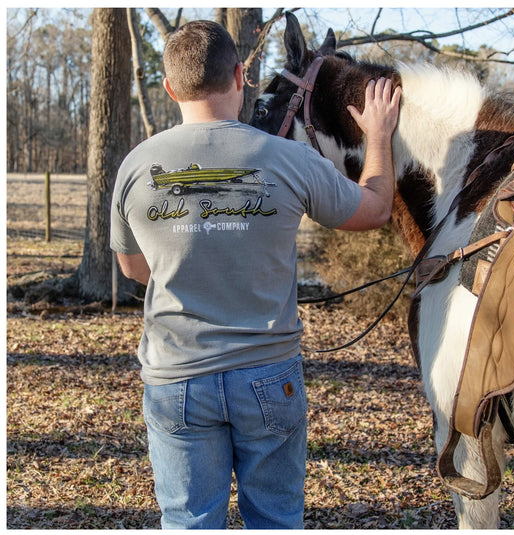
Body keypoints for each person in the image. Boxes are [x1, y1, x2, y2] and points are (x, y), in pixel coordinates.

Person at [110, 19, 401, 530]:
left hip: (177, 378)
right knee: (275, 522)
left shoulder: (136, 167)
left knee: (188, 522)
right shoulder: (289, 158)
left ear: (170, 87)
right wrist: (378, 135)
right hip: (269, 376)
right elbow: (376, 208)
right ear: (241, 76)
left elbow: (135, 269)